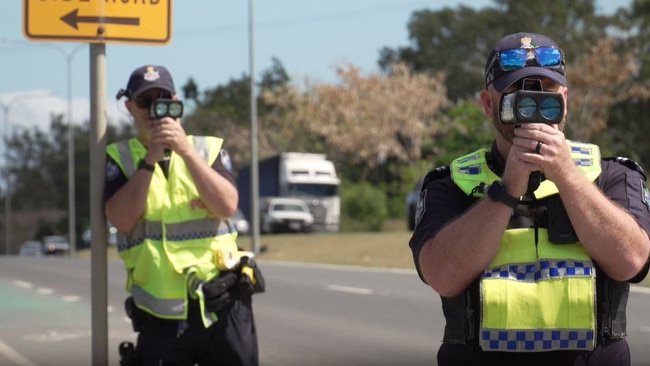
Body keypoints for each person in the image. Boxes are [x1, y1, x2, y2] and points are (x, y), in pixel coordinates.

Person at [409, 32, 650, 365]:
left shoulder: (610, 175)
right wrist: (505, 191)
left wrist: (566, 175)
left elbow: (631, 262)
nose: (532, 105)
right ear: (488, 104)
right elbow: (442, 276)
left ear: (565, 99)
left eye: (546, 92)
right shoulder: (452, 183)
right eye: (517, 94)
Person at [105, 65, 264, 366]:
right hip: (161, 318)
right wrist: (151, 155)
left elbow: (226, 206)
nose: (155, 111)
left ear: (176, 102)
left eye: (163, 100)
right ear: (129, 107)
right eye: (145, 102)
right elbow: (121, 220)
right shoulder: (120, 157)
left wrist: (186, 152)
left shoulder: (207, 148)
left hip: (223, 305)